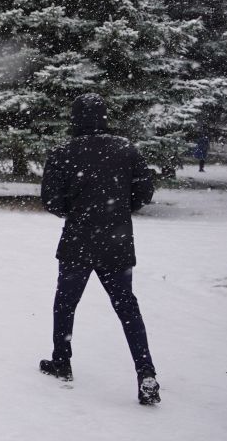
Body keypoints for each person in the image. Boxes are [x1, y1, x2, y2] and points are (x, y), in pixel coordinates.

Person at [39, 93, 159, 405]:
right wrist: (118, 209)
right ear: (103, 117)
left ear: (75, 117)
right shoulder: (125, 149)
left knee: (65, 303)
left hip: (78, 239)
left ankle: (61, 360)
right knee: (127, 308)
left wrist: (75, 210)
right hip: (116, 240)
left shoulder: (64, 152)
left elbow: (51, 200)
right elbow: (145, 190)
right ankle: (146, 372)